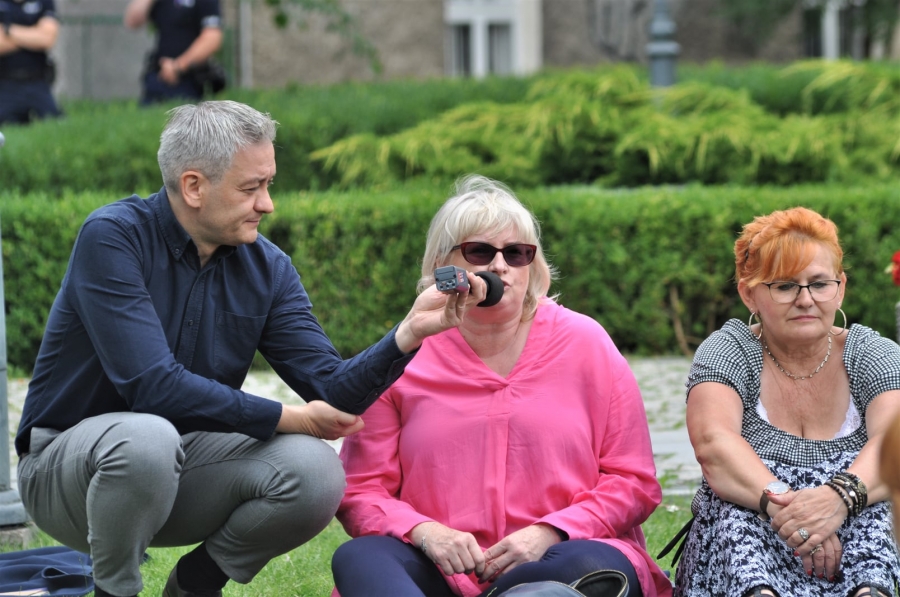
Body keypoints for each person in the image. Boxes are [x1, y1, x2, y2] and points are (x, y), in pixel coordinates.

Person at [15, 100, 489, 597]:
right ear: (193, 186)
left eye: (269, 184)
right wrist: (292, 418)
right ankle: (115, 592)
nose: (267, 204)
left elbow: (331, 389)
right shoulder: (114, 237)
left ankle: (194, 586)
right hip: (67, 475)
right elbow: (152, 386)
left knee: (317, 472)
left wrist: (407, 333)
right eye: (251, 188)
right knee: (147, 439)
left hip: (183, 468)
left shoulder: (268, 267)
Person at [332, 175, 672, 597]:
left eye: (516, 253)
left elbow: (633, 481)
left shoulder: (587, 343)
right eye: (479, 251)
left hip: (560, 554)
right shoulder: (404, 353)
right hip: (438, 566)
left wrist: (550, 531)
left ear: (533, 264)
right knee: (360, 559)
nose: (499, 266)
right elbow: (361, 489)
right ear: (441, 264)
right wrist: (425, 532)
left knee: (591, 568)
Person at [672, 206, 900, 597]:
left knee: (878, 507)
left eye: (820, 284)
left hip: (849, 533)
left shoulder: (872, 353)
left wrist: (838, 499)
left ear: (841, 288)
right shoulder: (728, 350)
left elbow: (894, 443)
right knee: (737, 513)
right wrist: (795, 514)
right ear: (749, 294)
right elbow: (714, 445)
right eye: (784, 286)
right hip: (755, 533)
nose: (805, 299)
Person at [124, 0, 223, 105]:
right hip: (158, 75)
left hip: (191, 79)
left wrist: (178, 67)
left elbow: (212, 38)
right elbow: (132, 22)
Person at [0, 0, 63, 125]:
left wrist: (7, 30)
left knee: (55, 122)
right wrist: (33, 34)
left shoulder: (44, 2)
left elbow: (46, 39)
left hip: (38, 82)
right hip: (5, 83)